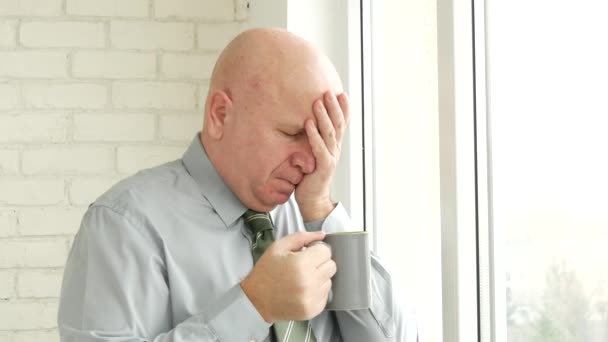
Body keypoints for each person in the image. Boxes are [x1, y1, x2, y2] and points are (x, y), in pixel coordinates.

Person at [58, 27, 417, 342]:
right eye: (292, 133)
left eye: (322, 139)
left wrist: (321, 208)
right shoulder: (125, 225)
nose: (310, 161)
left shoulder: (311, 217)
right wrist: (253, 306)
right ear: (220, 115)